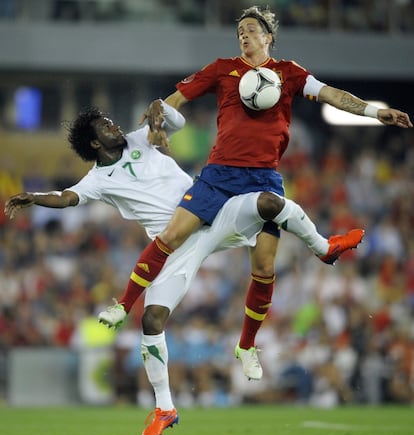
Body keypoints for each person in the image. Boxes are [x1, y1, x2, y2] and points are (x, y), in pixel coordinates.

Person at [100, 4, 412, 387]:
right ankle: (123, 304)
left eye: (251, 29)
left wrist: (372, 112)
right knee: (170, 236)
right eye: (240, 31)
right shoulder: (222, 69)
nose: (244, 35)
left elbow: (331, 94)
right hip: (218, 175)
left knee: (264, 268)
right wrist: (159, 112)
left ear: (268, 36)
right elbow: (178, 98)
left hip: (264, 178)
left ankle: (246, 345)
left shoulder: (289, 74)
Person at [4, 100, 350, 435]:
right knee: (152, 320)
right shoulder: (97, 180)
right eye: (106, 127)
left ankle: (323, 248)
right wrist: (34, 196)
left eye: (112, 121)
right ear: (96, 143)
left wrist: (161, 110)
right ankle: (165, 408)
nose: (115, 126)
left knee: (270, 202)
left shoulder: (141, 138)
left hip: (211, 214)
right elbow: (67, 197)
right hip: (173, 248)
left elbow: (177, 123)